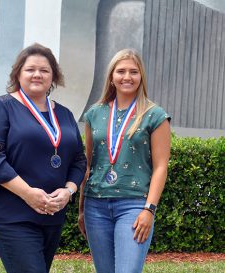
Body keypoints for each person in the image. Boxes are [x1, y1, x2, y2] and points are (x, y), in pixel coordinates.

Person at [0, 43, 87, 273]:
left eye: (44, 70)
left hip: (52, 214)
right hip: (11, 213)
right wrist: (29, 194)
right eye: (30, 69)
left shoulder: (64, 114)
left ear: (53, 76)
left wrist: (68, 191)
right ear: (18, 73)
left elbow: (79, 160)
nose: (37, 74)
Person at [78, 48, 171, 273]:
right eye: (121, 71)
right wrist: (81, 209)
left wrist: (149, 209)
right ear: (111, 77)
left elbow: (161, 167)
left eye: (133, 71)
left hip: (133, 205)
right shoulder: (94, 113)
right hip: (95, 206)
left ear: (141, 77)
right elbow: (89, 164)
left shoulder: (154, 115)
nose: (127, 77)